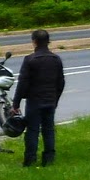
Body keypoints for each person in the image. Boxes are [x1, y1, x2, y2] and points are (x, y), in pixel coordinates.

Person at [11, 29, 65, 166]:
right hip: (50, 100)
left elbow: (22, 83)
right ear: (48, 42)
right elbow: (61, 82)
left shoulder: (30, 60)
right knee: (49, 130)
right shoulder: (56, 59)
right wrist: (56, 99)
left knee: (32, 130)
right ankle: (49, 159)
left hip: (34, 101)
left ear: (34, 42)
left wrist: (16, 103)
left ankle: (30, 159)